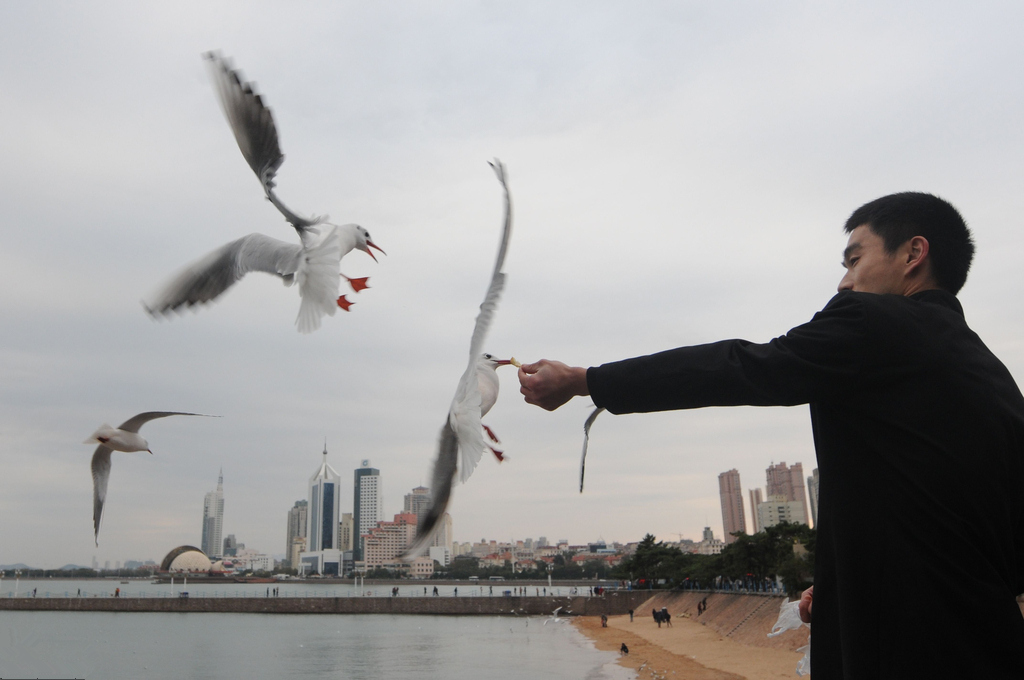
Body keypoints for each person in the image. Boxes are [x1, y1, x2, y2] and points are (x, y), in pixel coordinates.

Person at [518, 192, 1024, 678]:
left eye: (853, 260)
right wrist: (844, 584)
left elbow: (739, 366)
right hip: (992, 645)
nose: (845, 282)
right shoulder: (992, 375)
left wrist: (587, 380)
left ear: (914, 253)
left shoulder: (875, 322)